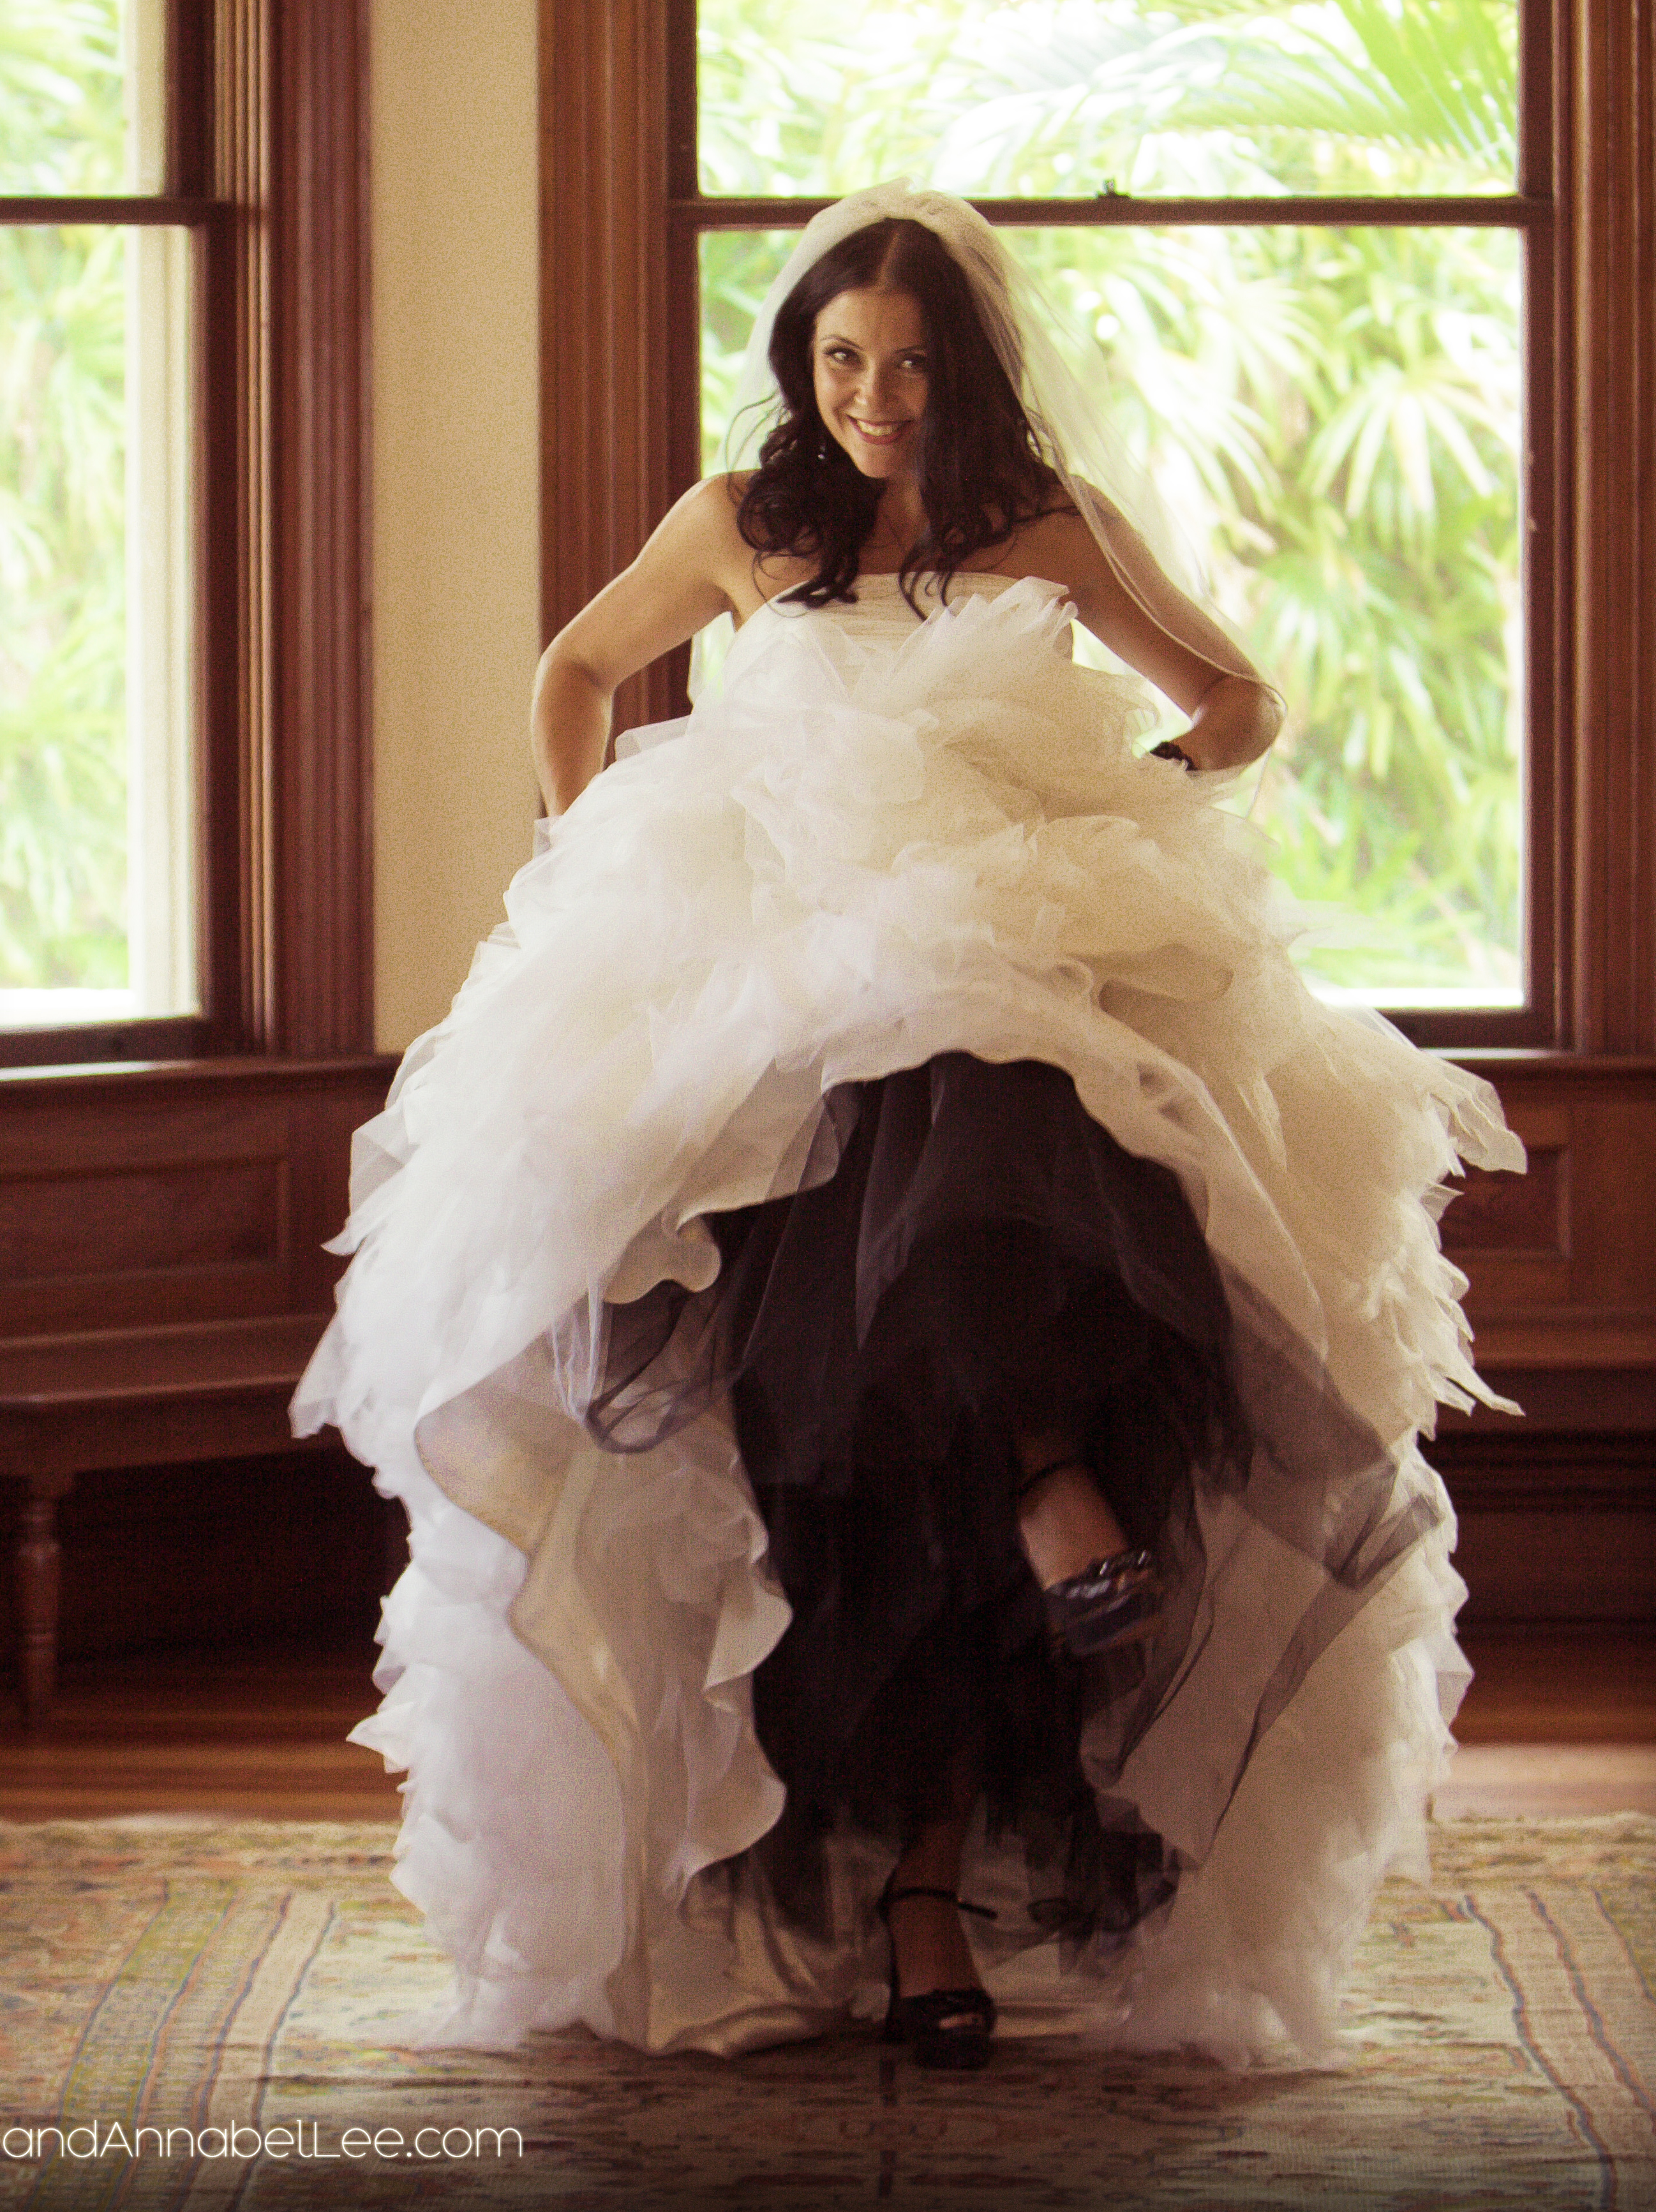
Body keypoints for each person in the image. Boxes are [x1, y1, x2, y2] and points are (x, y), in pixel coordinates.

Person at [294, 181, 1522, 2073]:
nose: (875, 396)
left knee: (988, 1185)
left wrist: (1128, 789)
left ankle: (956, 1804)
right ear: (804, 360)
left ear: (967, 370)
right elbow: (575, 674)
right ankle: (1007, 1573)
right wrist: (595, 853)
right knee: (835, 1478)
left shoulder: (1047, 525)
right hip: (777, 1027)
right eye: (844, 360)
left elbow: (1241, 699)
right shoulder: (740, 524)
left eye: (912, 365)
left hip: (1005, 1005)